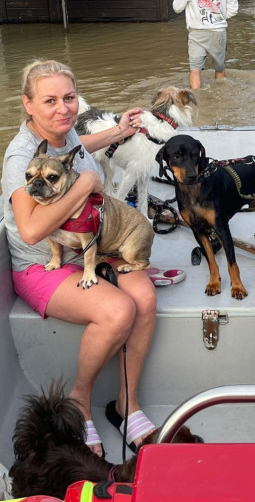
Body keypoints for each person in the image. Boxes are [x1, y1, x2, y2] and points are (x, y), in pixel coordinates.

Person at [1, 60, 156, 456]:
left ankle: (127, 403)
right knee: (119, 310)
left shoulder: (62, 137)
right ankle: (78, 403)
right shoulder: (21, 158)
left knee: (145, 298)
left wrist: (118, 132)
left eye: (69, 98)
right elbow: (33, 229)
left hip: (92, 246)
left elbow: (75, 147)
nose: (64, 109)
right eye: (50, 100)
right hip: (43, 263)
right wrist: (86, 183)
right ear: (28, 105)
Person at [172, 0, 239, 89]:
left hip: (197, 32)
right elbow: (234, 9)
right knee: (219, 69)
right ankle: (220, 100)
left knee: (195, 70)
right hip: (218, 31)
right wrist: (219, 17)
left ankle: (199, 102)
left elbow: (177, 7)